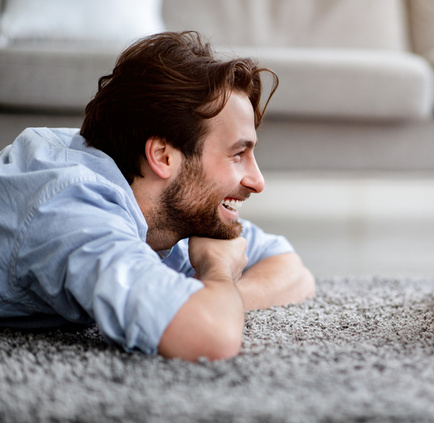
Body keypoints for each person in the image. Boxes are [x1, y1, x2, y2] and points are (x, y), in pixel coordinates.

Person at [0, 31, 315, 361]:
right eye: (238, 154)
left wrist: (216, 298)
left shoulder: (167, 207)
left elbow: (293, 270)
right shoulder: (71, 209)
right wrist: (216, 271)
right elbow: (211, 335)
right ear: (163, 156)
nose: (257, 181)